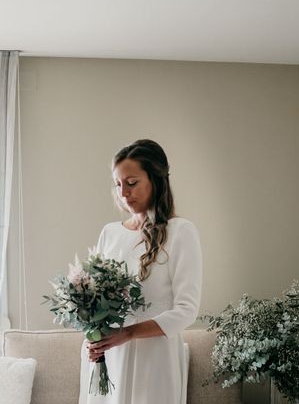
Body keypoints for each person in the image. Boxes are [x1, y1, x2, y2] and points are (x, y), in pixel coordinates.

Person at [78, 139, 203, 404]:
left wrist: (128, 333)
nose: (124, 193)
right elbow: (93, 301)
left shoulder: (181, 232)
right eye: (118, 184)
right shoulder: (109, 233)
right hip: (110, 359)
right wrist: (93, 338)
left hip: (155, 360)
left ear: (156, 180)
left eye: (132, 183)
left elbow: (186, 310)